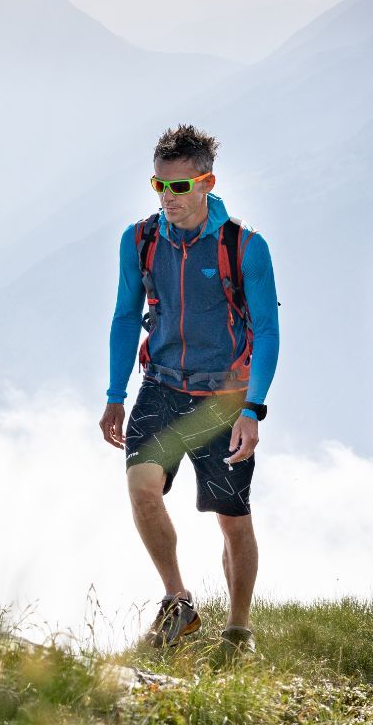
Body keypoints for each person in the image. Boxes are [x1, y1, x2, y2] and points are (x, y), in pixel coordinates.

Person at [103, 124, 280, 652]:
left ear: (207, 183)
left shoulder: (245, 247)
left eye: (179, 187)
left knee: (232, 520)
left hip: (225, 399)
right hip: (159, 388)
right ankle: (177, 602)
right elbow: (124, 315)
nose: (167, 197)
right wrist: (115, 393)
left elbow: (267, 331)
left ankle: (238, 629)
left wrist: (253, 407)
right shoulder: (140, 239)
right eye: (158, 185)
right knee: (142, 491)